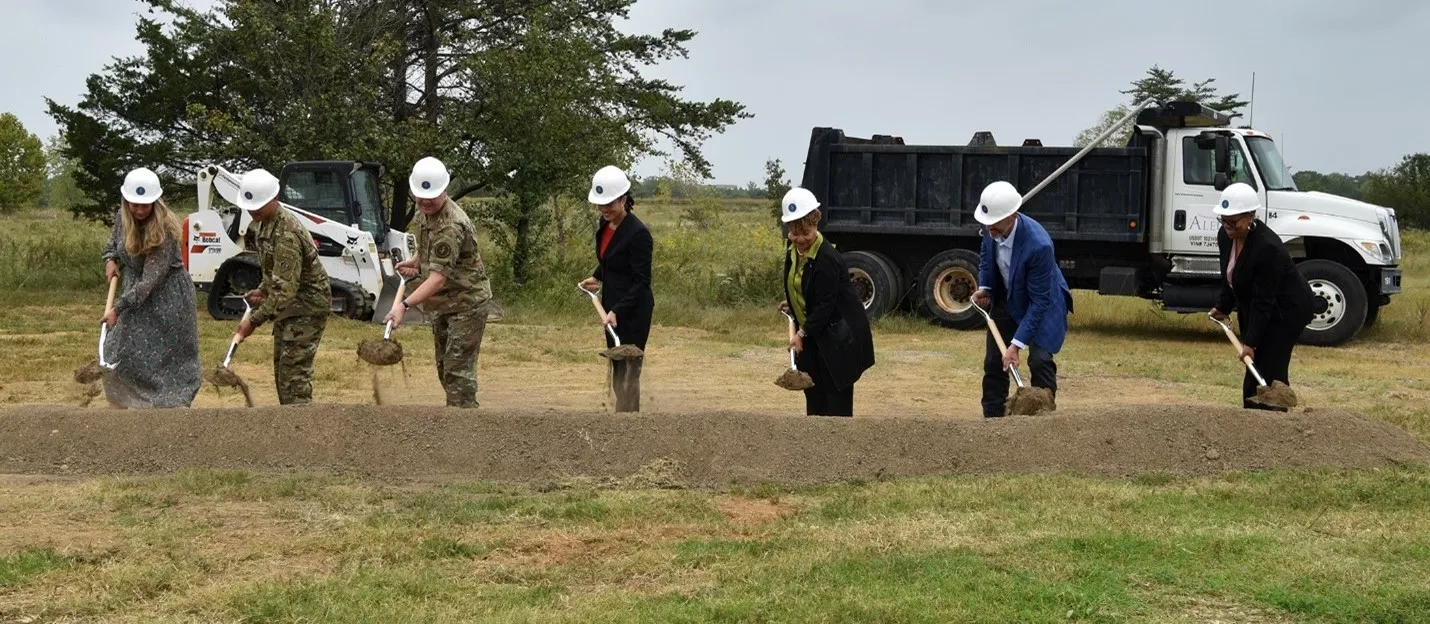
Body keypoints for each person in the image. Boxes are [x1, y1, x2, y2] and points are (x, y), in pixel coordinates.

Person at [384, 156, 494, 408]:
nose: (424, 201)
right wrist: (416, 261)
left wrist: (403, 306)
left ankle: (464, 427)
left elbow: (437, 279)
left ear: (444, 189)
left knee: (458, 373)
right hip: (444, 304)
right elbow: (431, 250)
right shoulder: (427, 212)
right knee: (445, 367)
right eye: (420, 196)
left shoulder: (451, 226)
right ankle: (456, 420)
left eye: (431, 196)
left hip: (467, 304)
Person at [98, 167, 202, 408]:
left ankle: (169, 404)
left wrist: (117, 308)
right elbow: (113, 243)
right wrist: (110, 260)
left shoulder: (163, 229)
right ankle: (128, 403)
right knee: (122, 347)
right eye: (134, 204)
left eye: (145, 205)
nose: (139, 210)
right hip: (135, 288)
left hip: (167, 295)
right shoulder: (123, 216)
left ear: (156, 203)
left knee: (164, 355)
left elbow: (150, 282)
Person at [971, 180, 1073, 418]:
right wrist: (985, 287)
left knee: (1039, 360)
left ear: (1012, 216)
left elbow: (1038, 304)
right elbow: (987, 255)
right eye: (986, 226)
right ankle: (993, 419)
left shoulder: (1039, 245)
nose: (989, 231)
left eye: (993, 226)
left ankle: (1041, 417)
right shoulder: (991, 228)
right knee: (995, 361)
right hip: (1009, 296)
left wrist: (1016, 346)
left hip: (1044, 301)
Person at [1209, 182, 1315, 410]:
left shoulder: (1268, 249)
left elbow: (1263, 300)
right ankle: (1253, 421)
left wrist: (1250, 342)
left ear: (1250, 217)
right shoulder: (1225, 236)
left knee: (1267, 365)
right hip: (1259, 305)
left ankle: (1271, 422)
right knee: (1255, 364)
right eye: (1223, 219)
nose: (1227, 226)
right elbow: (1230, 276)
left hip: (1287, 310)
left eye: (1233, 221)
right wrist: (1223, 307)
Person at [234, 168, 331, 405]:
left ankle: (301, 430)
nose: (252, 210)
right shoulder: (263, 224)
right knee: (282, 371)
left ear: (274, 200)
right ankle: (291, 429)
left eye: (258, 205)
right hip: (289, 305)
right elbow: (275, 272)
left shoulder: (287, 233)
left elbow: (286, 290)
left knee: (293, 378)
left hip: (307, 306)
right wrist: (263, 289)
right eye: (249, 206)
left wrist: (253, 322)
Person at [776, 187, 875, 417]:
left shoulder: (827, 259)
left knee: (835, 399)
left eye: (806, 233)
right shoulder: (792, 252)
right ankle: (815, 447)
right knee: (814, 393)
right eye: (794, 232)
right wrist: (793, 303)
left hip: (839, 337)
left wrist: (800, 335)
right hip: (815, 336)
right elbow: (802, 286)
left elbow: (825, 305)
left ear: (816, 224)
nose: (800, 239)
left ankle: (838, 449)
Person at [579, 165, 653, 413]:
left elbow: (641, 281)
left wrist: (618, 311)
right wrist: (596, 276)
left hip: (633, 311)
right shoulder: (605, 223)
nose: (604, 209)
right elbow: (610, 260)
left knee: (628, 372)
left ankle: (629, 424)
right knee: (617, 367)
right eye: (600, 204)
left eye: (609, 203)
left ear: (624, 199)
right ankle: (622, 420)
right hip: (610, 306)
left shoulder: (639, 234)